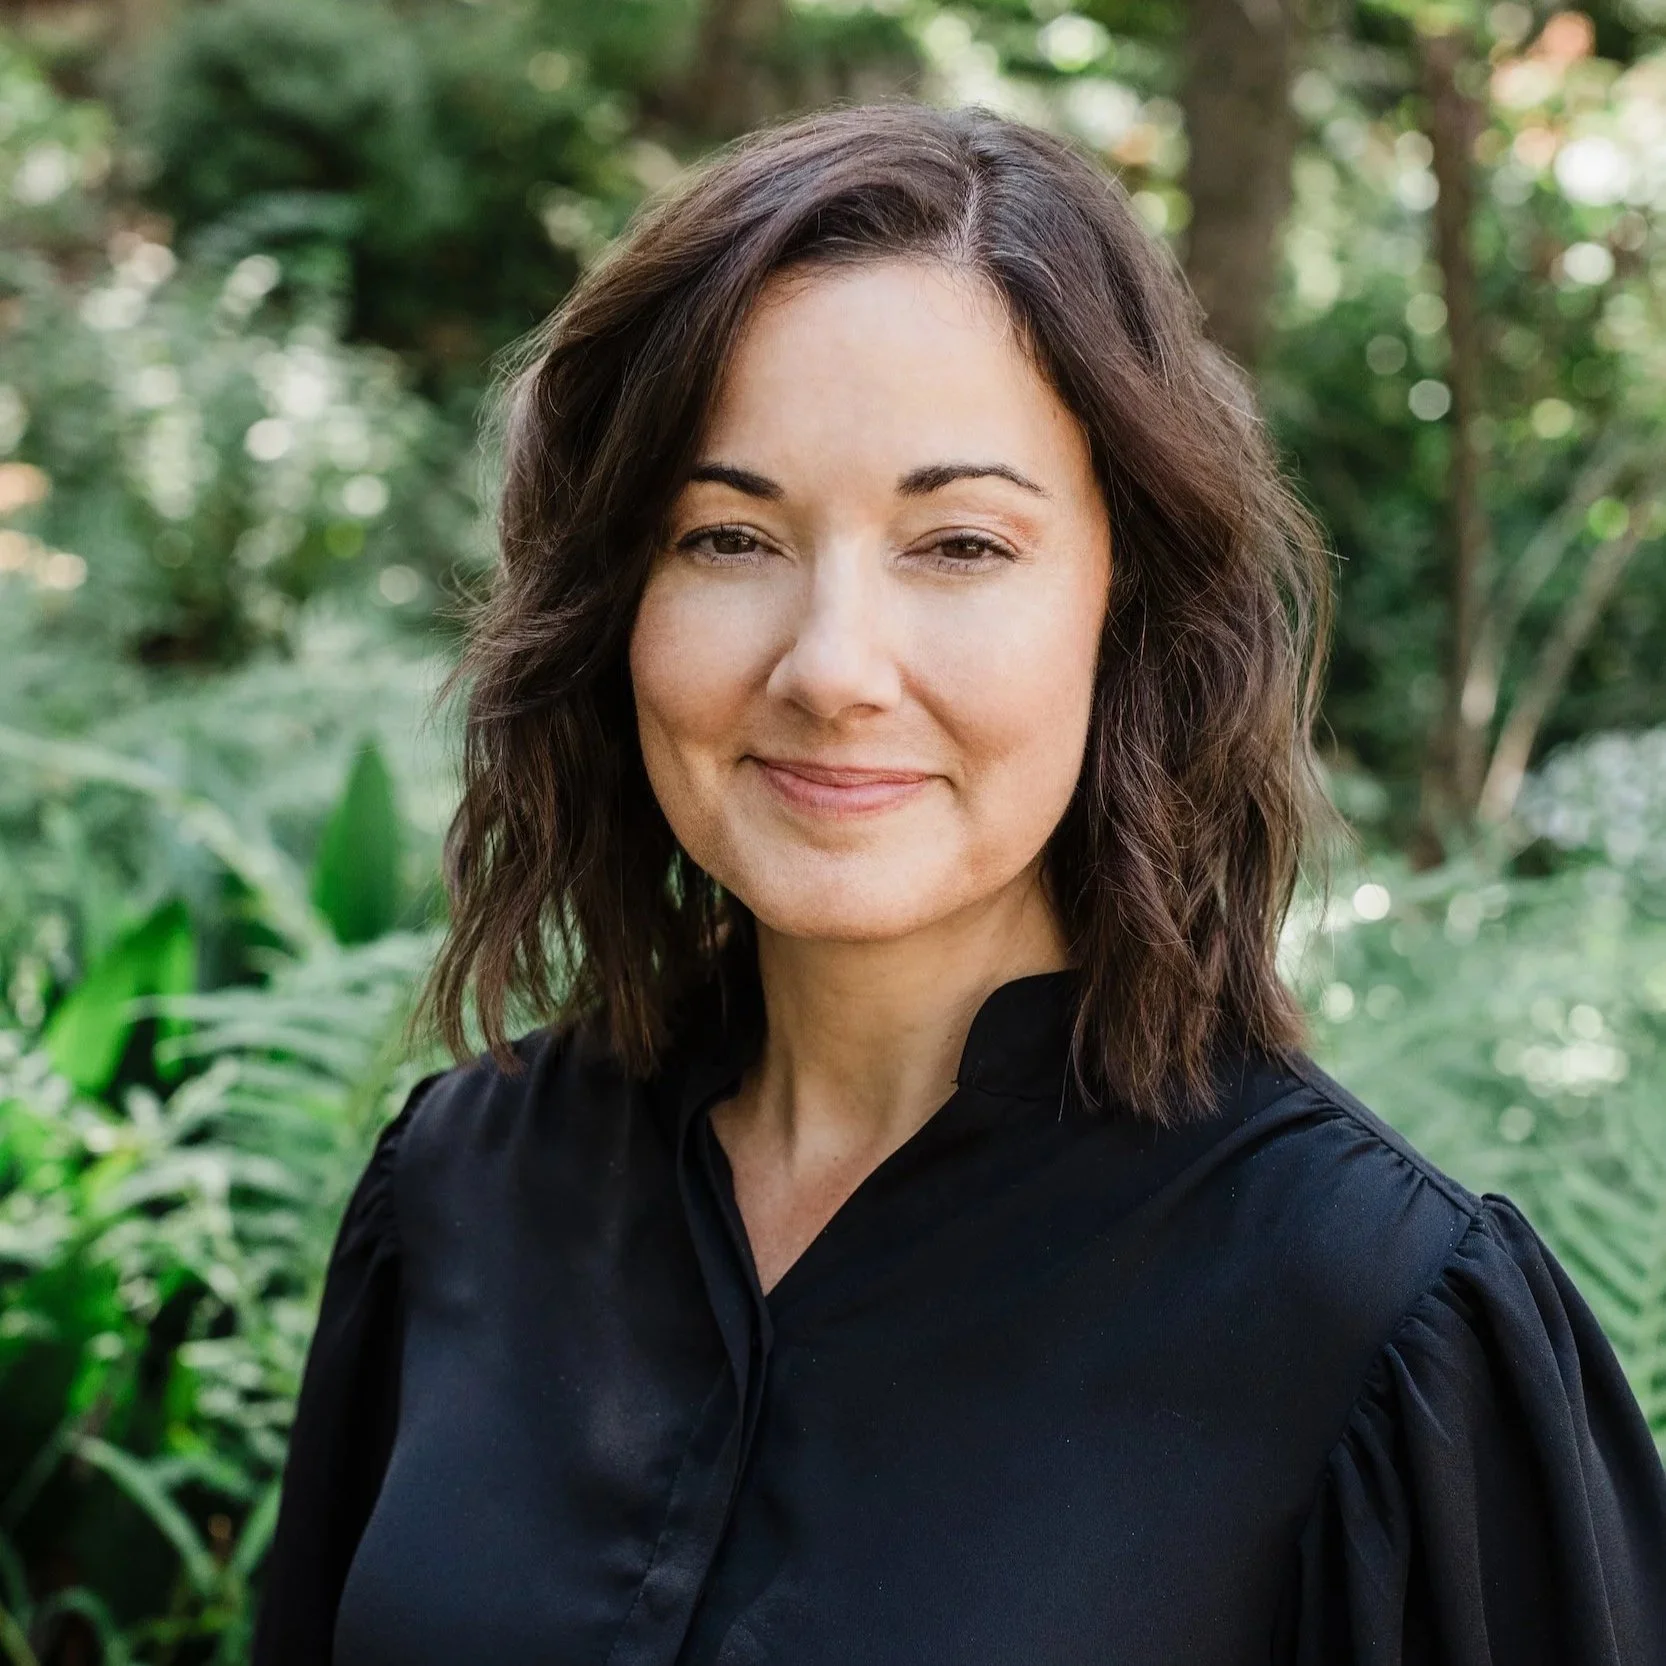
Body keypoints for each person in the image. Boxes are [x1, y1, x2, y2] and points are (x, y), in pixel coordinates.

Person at [252, 102, 1666, 1665]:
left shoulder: (1369, 1323)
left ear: (1125, 604)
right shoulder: (462, 1191)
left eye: (960, 545)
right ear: (616, 601)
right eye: (727, 536)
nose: (832, 666)